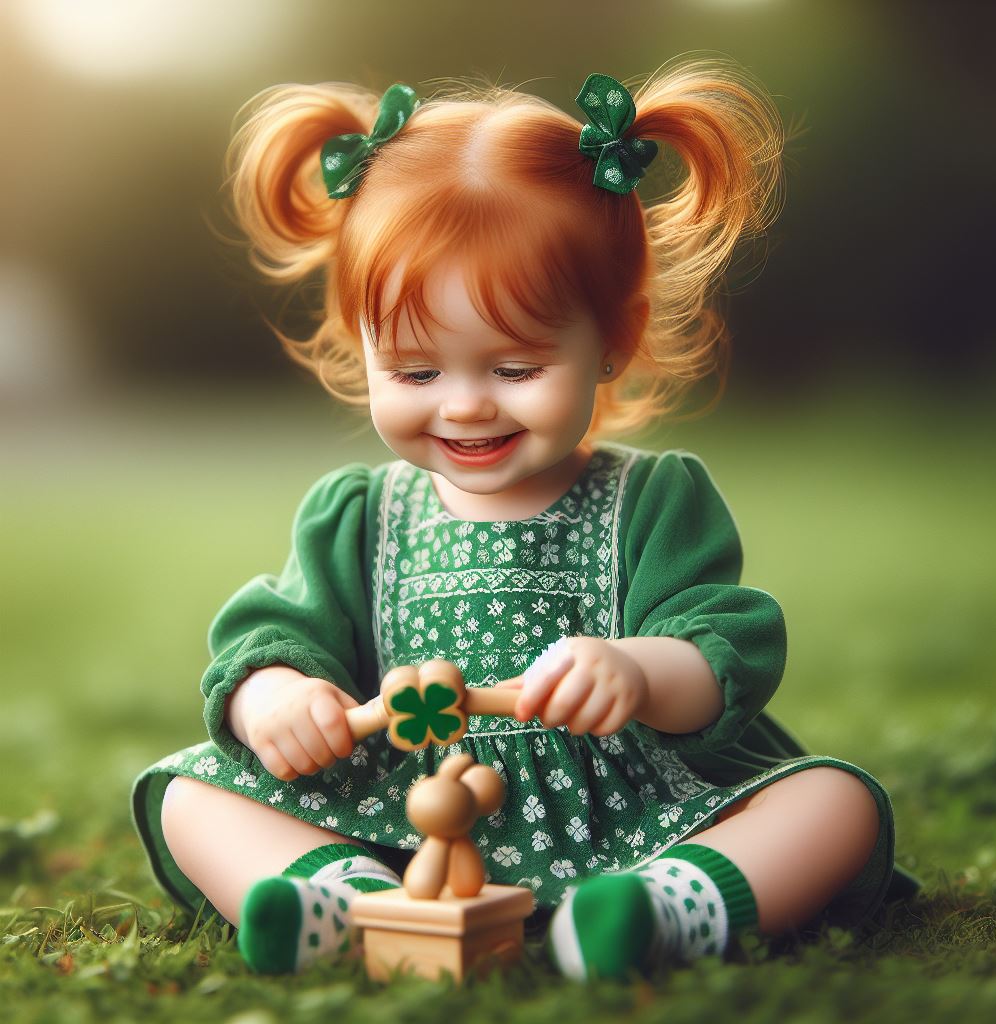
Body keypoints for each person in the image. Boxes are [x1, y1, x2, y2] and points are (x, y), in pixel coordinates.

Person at [132, 63, 919, 980]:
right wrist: (274, 697)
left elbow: (725, 649)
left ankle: (662, 908)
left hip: (627, 812)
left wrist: (638, 669)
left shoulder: (653, 499)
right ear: (364, 346)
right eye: (418, 373)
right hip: (402, 814)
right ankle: (342, 895)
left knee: (833, 801)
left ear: (613, 337)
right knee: (192, 791)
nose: (465, 406)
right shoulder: (358, 514)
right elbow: (271, 632)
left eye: (513, 369)